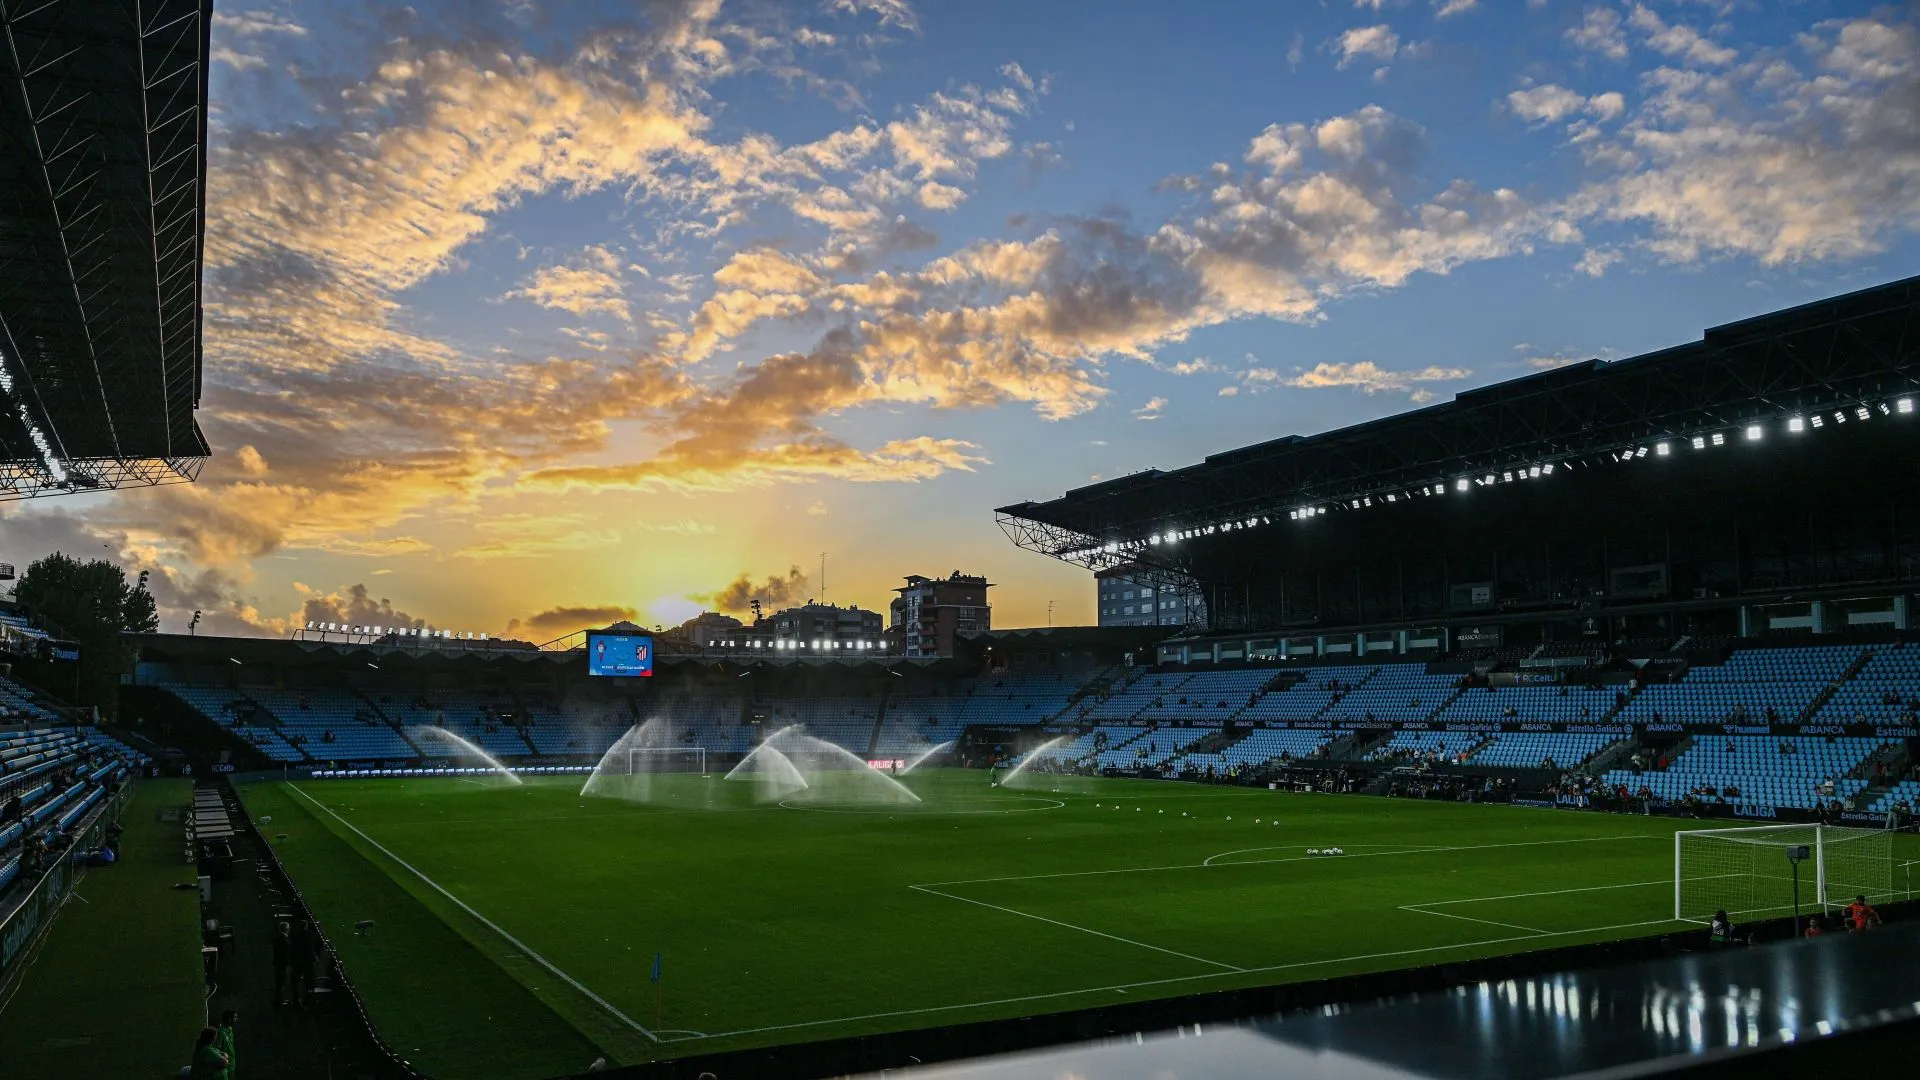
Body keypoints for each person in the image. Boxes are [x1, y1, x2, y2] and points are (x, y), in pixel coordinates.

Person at [290, 920, 318, 1007]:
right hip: (308, 961)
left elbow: (293, 949)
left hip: (299, 960)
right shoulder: (311, 935)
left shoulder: (295, 936)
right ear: (306, 926)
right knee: (308, 979)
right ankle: (308, 997)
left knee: (295, 979)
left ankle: (296, 997)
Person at [271, 921, 292, 1005]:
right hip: (282, 964)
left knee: (278, 982)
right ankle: (279, 1000)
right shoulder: (285, 940)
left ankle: (278, 999)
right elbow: (285, 955)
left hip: (277, 963)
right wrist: (288, 964)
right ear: (287, 929)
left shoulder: (277, 938)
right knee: (281, 983)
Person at [216, 1010, 237, 1077]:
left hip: (231, 1065)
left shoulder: (230, 1029)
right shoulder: (220, 1032)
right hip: (225, 1068)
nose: (236, 1019)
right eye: (235, 1017)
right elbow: (217, 1049)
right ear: (229, 1019)